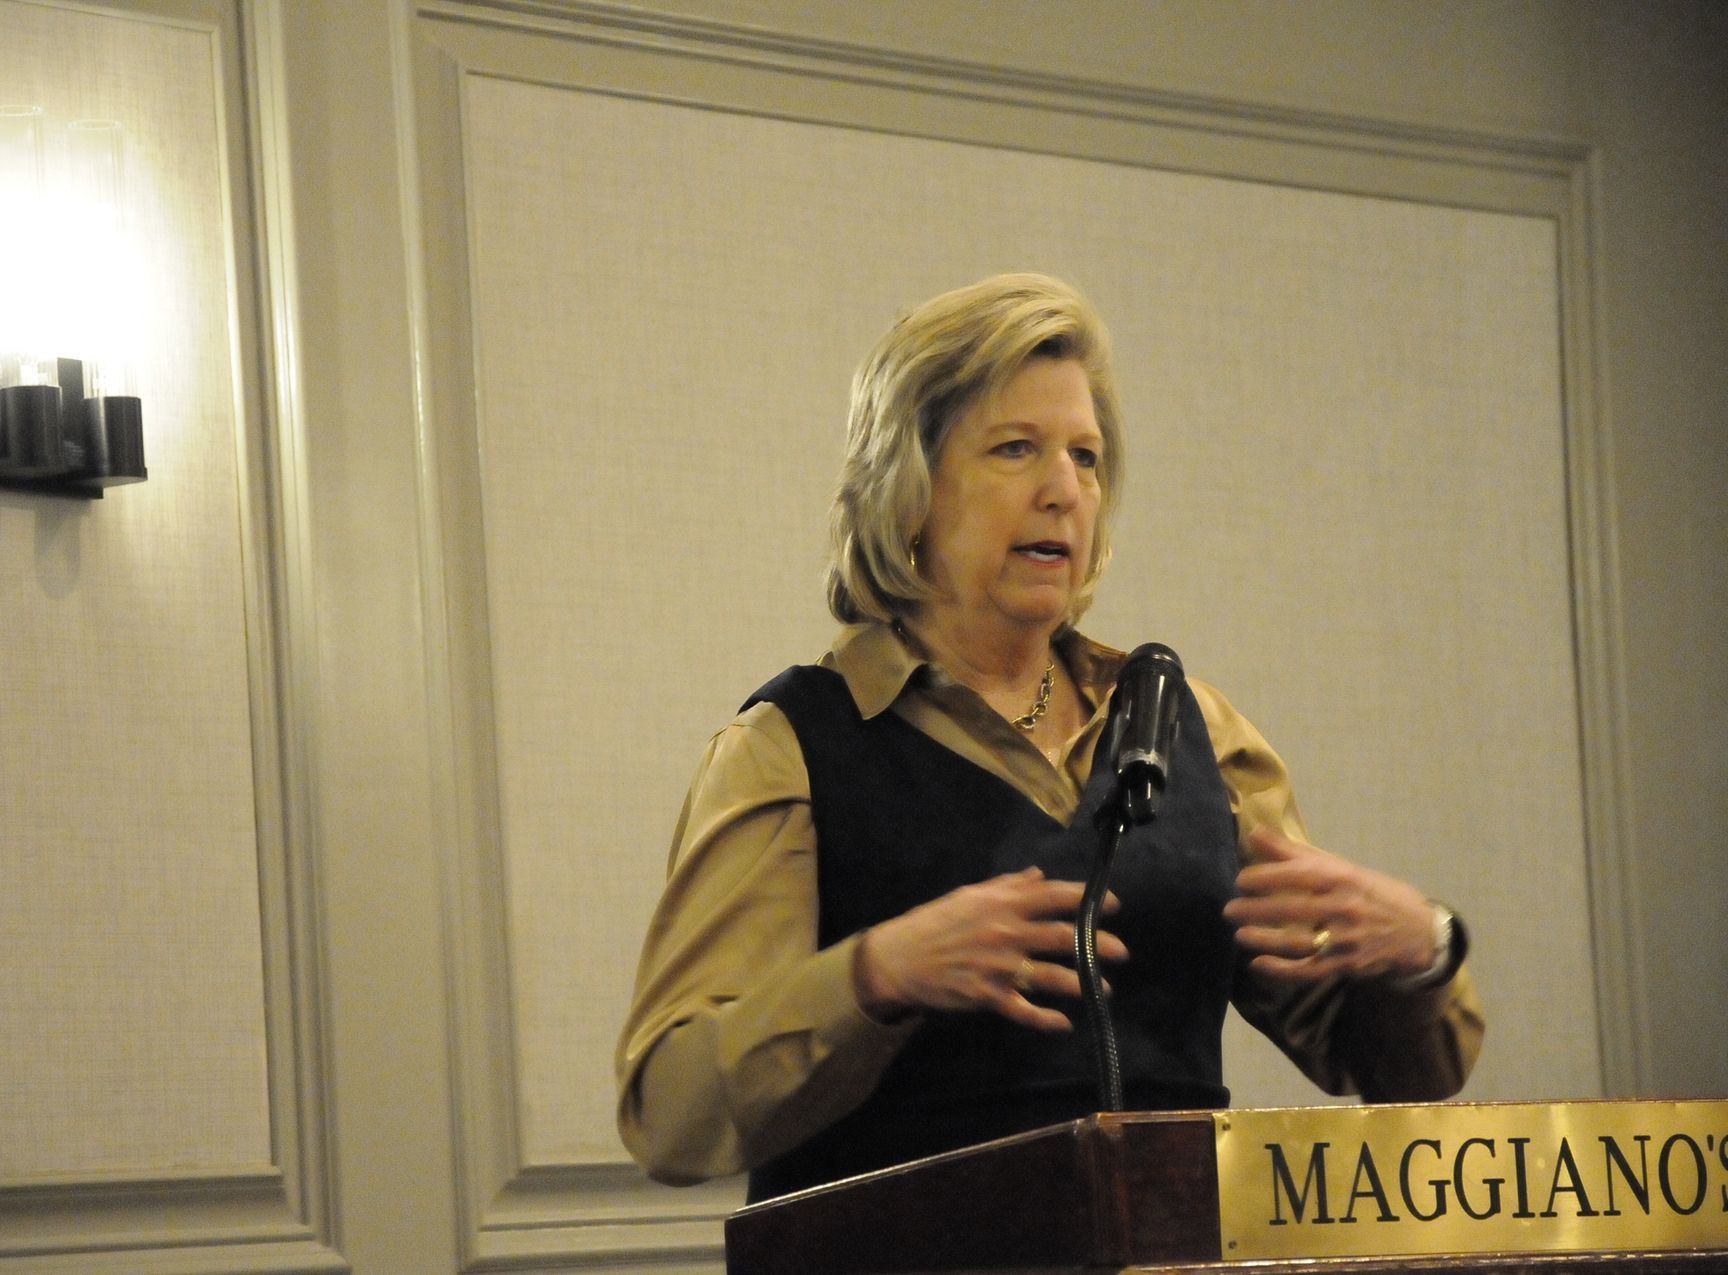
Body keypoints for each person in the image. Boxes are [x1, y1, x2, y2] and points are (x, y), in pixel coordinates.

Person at [614, 272, 1484, 1203]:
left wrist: (1421, 951)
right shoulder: (791, 747)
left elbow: (1398, 1068)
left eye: (1087, 458)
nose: (1064, 490)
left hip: (1175, 1248)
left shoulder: (1190, 729)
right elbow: (671, 1111)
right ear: (909, 489)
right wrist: (874, 974)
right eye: (1015, 448)